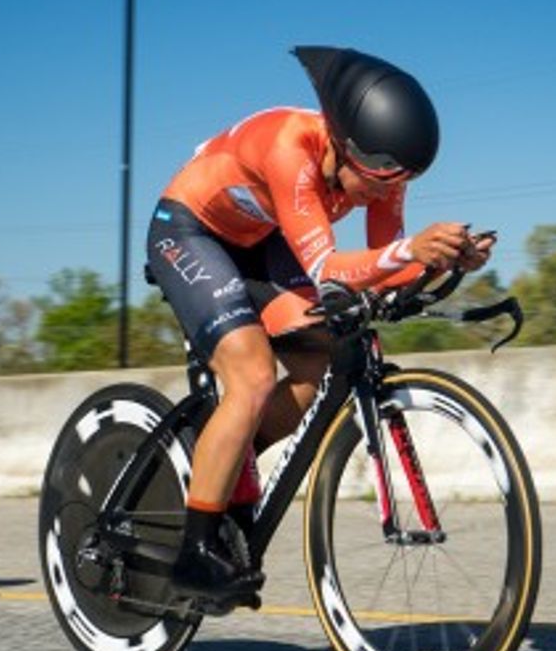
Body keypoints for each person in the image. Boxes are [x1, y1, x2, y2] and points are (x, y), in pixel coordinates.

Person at [146, 46, 495, 604]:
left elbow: (383, 265)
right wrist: (414, 248)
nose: (386, 191)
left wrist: (440, 259)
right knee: (254, 375)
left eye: (397, 180)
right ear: (342, 143)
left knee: (317, 359)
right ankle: (195, 551)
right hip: (191, 233)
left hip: (263, 242)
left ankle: (226, 459)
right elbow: (329, 268)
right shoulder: (291, 149)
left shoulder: (381, 170)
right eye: (378, 178)